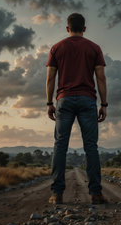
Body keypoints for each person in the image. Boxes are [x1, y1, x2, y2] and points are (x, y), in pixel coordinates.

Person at [46, 13, 108, 204]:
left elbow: (50, 78)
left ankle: (57, 194)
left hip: (64, 100)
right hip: (87, 100)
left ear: (67, 28)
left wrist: (49, 103)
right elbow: (100, 78)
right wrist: (104, 104)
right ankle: (96, 194)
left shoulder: (57, 48)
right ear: (84, 28)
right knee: (91, 147)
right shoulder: (94, 48)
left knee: (60, 146)